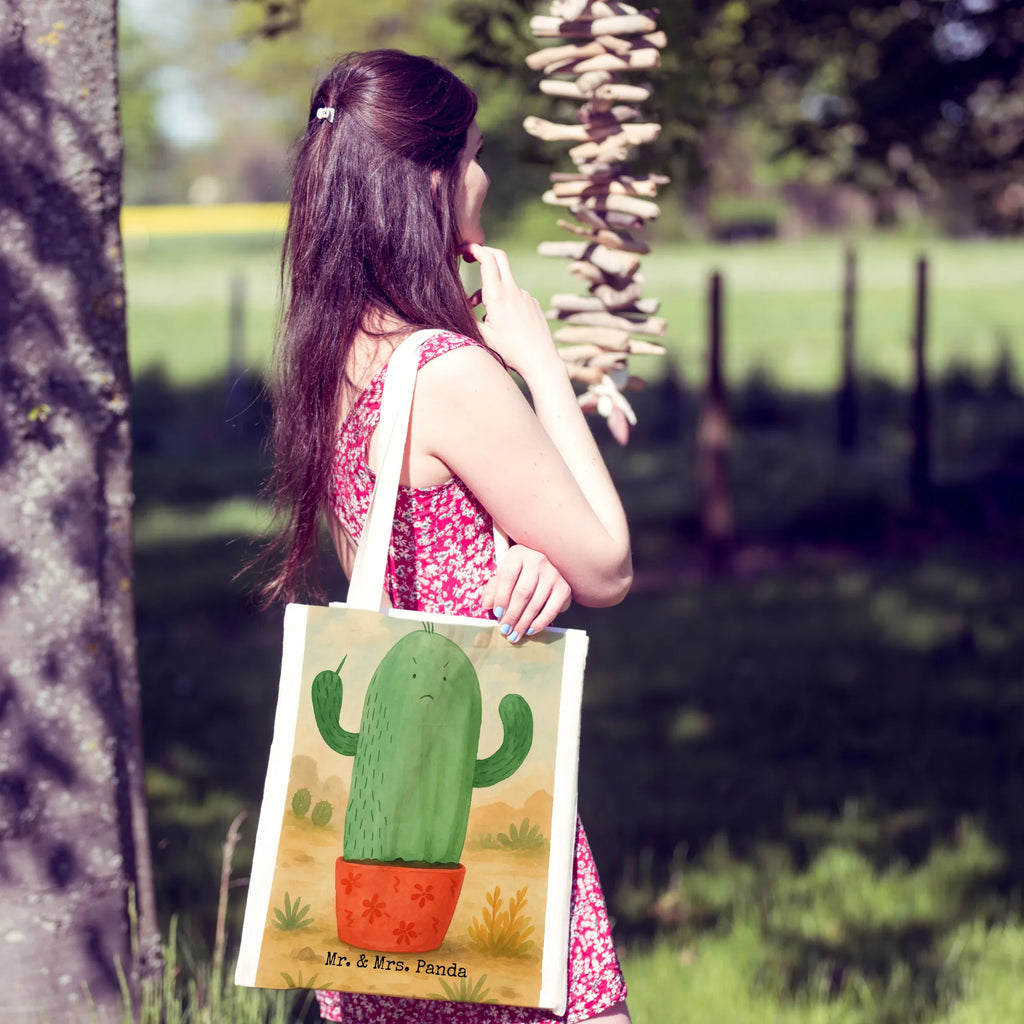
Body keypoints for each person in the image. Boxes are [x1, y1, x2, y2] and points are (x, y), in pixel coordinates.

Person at [259, 48, 633, 1024]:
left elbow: (396, 556)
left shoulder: (334, 354)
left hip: (381, 821)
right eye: (469, 154)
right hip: (478, 815)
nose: (484, 176)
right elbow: (608, 562)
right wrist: (540, 364)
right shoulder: (450, 373)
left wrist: (514, 552)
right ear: (427, 179)